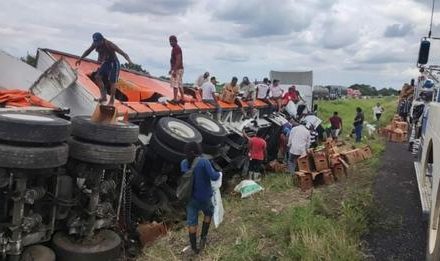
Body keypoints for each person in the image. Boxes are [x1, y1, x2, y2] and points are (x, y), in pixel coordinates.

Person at [180, 142, 220, 254]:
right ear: (198, 149)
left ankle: (194, 248)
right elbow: (214, 176)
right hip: (204, 197)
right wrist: (219, 173)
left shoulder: (183, 163)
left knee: (192, 222)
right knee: (208, 213)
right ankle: (203, 238)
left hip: (190, 198)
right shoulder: (204, 161)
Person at [76, 32, 133, 105]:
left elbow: (123, 53)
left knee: (112, 82)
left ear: (102, 40)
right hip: (106, 62)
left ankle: (111, 100)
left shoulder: (109, 44)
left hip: (114, 63)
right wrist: (80, 58)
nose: (97, 44)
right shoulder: (95, 44)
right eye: (95, 42)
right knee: (97, 77)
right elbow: (88, 51)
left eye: (98, 42)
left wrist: (130, 61)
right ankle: (103, 96)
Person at [169, 35, 184, 103]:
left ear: (175, 41)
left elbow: (178, 60)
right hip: (178, 68)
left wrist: (174, 71)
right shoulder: (175, 48)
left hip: (177, 69)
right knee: (180, 84)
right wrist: (171, 69)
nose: (171, 43)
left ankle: (175, 99)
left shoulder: (176, 48)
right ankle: (182, 99)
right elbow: (173, 60)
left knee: (175, 84)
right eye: (170, 41)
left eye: (172, 41)